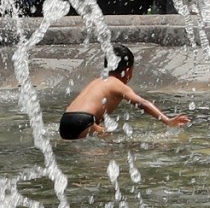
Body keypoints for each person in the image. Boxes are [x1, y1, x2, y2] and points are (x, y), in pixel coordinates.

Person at [60, 44, 190, 139]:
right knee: (116, 145)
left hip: (65, 122)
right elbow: (142, 103)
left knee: (105, 138)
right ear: (127, 71)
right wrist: (167, 120)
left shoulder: (96, 81)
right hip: (82, 122)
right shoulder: (116, 83)